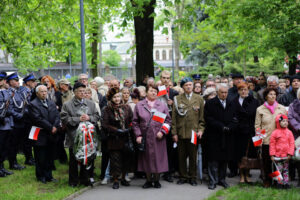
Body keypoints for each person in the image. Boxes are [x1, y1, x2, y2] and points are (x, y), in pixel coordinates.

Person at [61, 82, 100, 187]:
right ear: (74, 92)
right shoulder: (67, 105)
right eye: (80, 91)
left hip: (88, 137)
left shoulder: (91, 104)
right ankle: (73, 181)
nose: (82, 93)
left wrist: (89, 118)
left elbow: (97, 116)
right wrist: (78, 119)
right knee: (74, 160)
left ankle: (85, 179)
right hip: (74, 137)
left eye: (84, 91)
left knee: (87, 158)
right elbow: (65, 119)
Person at [132, 84, 171, 189]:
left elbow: (168, 121)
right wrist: (138, 135)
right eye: (151, 91)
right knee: (146, 159)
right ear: (146, 92)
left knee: (158, 159)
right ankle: (148, 180)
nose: (153, 93)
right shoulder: (139, 105)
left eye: (155, 91)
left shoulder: (162, 106)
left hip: (158, 137)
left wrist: (163, 132)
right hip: (145, 137)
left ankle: (157, 180)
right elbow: (135, 122)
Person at [203, 83, 238, 190]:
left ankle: (222, 180)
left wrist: (230, 127)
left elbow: (235, 118)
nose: (224, 94)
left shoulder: (232, 102)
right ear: (217, 92)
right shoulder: (210, 103)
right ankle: (212, 181)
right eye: (222, 92)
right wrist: (221, 126)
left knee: (224, 159)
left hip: (227, 135)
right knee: (213, 159)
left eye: (226, 92)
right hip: (214, 135)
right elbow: (208, 118)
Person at [172, 77, 205, 186]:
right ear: (182, 87)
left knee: (193, 156)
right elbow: (174, 118)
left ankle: (192, 176)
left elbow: (202, 118)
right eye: (186, 85)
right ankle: (183, 176)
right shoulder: (177, 99)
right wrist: (174, 133)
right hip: (181, 132)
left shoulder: (199, 99)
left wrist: (201, 130)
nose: (189, 87)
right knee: (181, 156)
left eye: (190, 84)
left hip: (193, 133)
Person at [102, 88, 135, 189]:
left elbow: (132, 120)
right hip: (114, 138)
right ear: (111, 98)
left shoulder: (127, 107)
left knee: (126, 159)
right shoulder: (107, 109)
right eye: (114, 97)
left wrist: (129, 128)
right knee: (115, 160)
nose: (117, 99)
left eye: (118, 96)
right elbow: (105, 124)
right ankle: (115, 180)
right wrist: (116, 130)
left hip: (125, 137)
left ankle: (124, 178)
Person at [255, 88, 287, 188]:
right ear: (266, 96)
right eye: (270, 94)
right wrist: (258, 141)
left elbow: (285, 124)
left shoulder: (281, 108)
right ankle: (267, 181)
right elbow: (257, 126)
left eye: (274, 94)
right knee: (267, 162)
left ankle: (277, 181)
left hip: (279, 140)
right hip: (266, 140)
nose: (273, 96)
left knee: (277, 163)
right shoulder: (260, 109)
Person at [28, 85, 61, 184]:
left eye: (45, 91)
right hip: (40, 133)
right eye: (41, 92)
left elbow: (57, 115)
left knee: (50, 156)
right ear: (37, 93)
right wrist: (51, 127)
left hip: (51, 134)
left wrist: (55, 126)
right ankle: (41, 176)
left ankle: (49, 175)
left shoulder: (51, 102)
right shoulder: (33, 104)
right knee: (40, 156)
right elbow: (37, 119)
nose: (44, 93)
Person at [232, 83, 259, 183]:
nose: (243, 91)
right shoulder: (234, 101)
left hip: (250, 131)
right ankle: (241, 175)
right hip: (238, 132)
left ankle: (247, 174)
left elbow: (256, 116)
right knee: (240, 154)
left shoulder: (254, 101)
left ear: (248, 90)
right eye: (241, 89)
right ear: (238, 91)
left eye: (245, 89)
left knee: (249, 154)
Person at [158, 70, 179, 182]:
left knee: (170, 149)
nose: (165, 80)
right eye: (163, 78)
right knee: (160, 149)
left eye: (167, 78)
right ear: (160, 78)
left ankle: (169, 172)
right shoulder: (156, 91)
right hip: (159, 123)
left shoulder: (174, 93)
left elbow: (179, 110)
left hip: (171, 123)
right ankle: (158, 170)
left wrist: (172, 105)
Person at [6, 72, 26, 170]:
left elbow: (22, 105)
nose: (18, 82)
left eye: (18, 80)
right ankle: (12, 163)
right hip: (14, 122)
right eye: (16, 80)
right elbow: (9, 109)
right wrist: (20, 116)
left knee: (17, 144)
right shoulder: (10, 93)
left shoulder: (18, 92)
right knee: (12, 144)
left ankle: (15, 162)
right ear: (10, 82)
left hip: (20, 122)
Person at [269, 114, 294, 189]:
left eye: (286, 121)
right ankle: (279, 183)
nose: (285, 122)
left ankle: (286, 183)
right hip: (278, 156)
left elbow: (292, 143)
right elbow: (272, 144)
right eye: (283, 121)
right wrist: (272, 155)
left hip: (286, 156)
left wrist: (290, 153)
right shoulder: (275, 133)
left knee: (286, 170)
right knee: (278, 170)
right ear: (278, 122)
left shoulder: (289, 132)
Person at [0, 72, 14, 177]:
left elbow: (9, 107)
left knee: (4, 147)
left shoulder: (5, 92)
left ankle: (2, 167)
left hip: (6, 124)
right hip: (1, 124)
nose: (6, 82)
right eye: (3, 80)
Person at [288, 88, 300, 186]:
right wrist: (298, 127)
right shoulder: (292, 105)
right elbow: (290, 117)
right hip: (296, 134)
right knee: (297, 157)